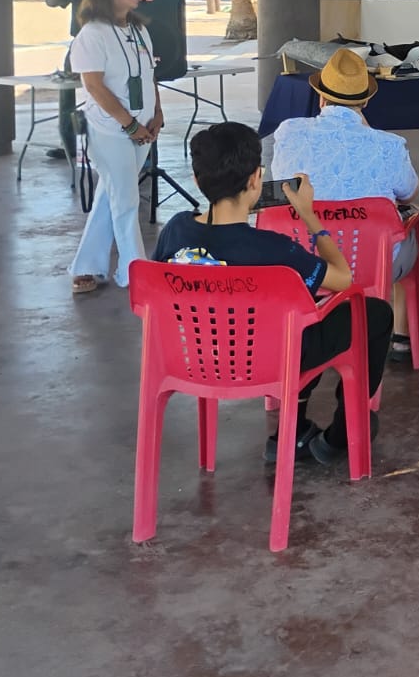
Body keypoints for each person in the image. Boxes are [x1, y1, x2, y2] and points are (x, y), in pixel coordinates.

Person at [154, 122, 394, 465]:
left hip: (195, 356)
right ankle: (342, 432)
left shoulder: (175, 231)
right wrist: (310, 217)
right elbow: (343, 278)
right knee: (373, 313)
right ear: (256, 180)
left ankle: (293, 431)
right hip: (270, 359)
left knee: (296, 317)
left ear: (197, 181)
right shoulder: (275, 250)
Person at [270, 47, 419, 363]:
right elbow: (409, 192)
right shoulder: (387, 145)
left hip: (304, 257)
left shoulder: (289, 133)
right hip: (372, 262)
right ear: (366, 101)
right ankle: (401, 331)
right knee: (417, 218)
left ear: (320, 97)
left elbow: (283, 184)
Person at [67, 0, 162, 294]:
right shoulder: (91, 35)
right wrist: (131, 124)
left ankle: (86, 267)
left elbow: (150, 77)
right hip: (112, 130)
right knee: (126, 200)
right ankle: (135, 272)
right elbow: (94, 86)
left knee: (113, 195)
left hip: (143, 128)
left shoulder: (138, 30)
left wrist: (157, 115)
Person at [44, 0, 109, 161]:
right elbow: (52, 2)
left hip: (111, 43)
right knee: (67, 92)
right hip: (80, 42)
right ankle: (68, 145)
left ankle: (109, 140)